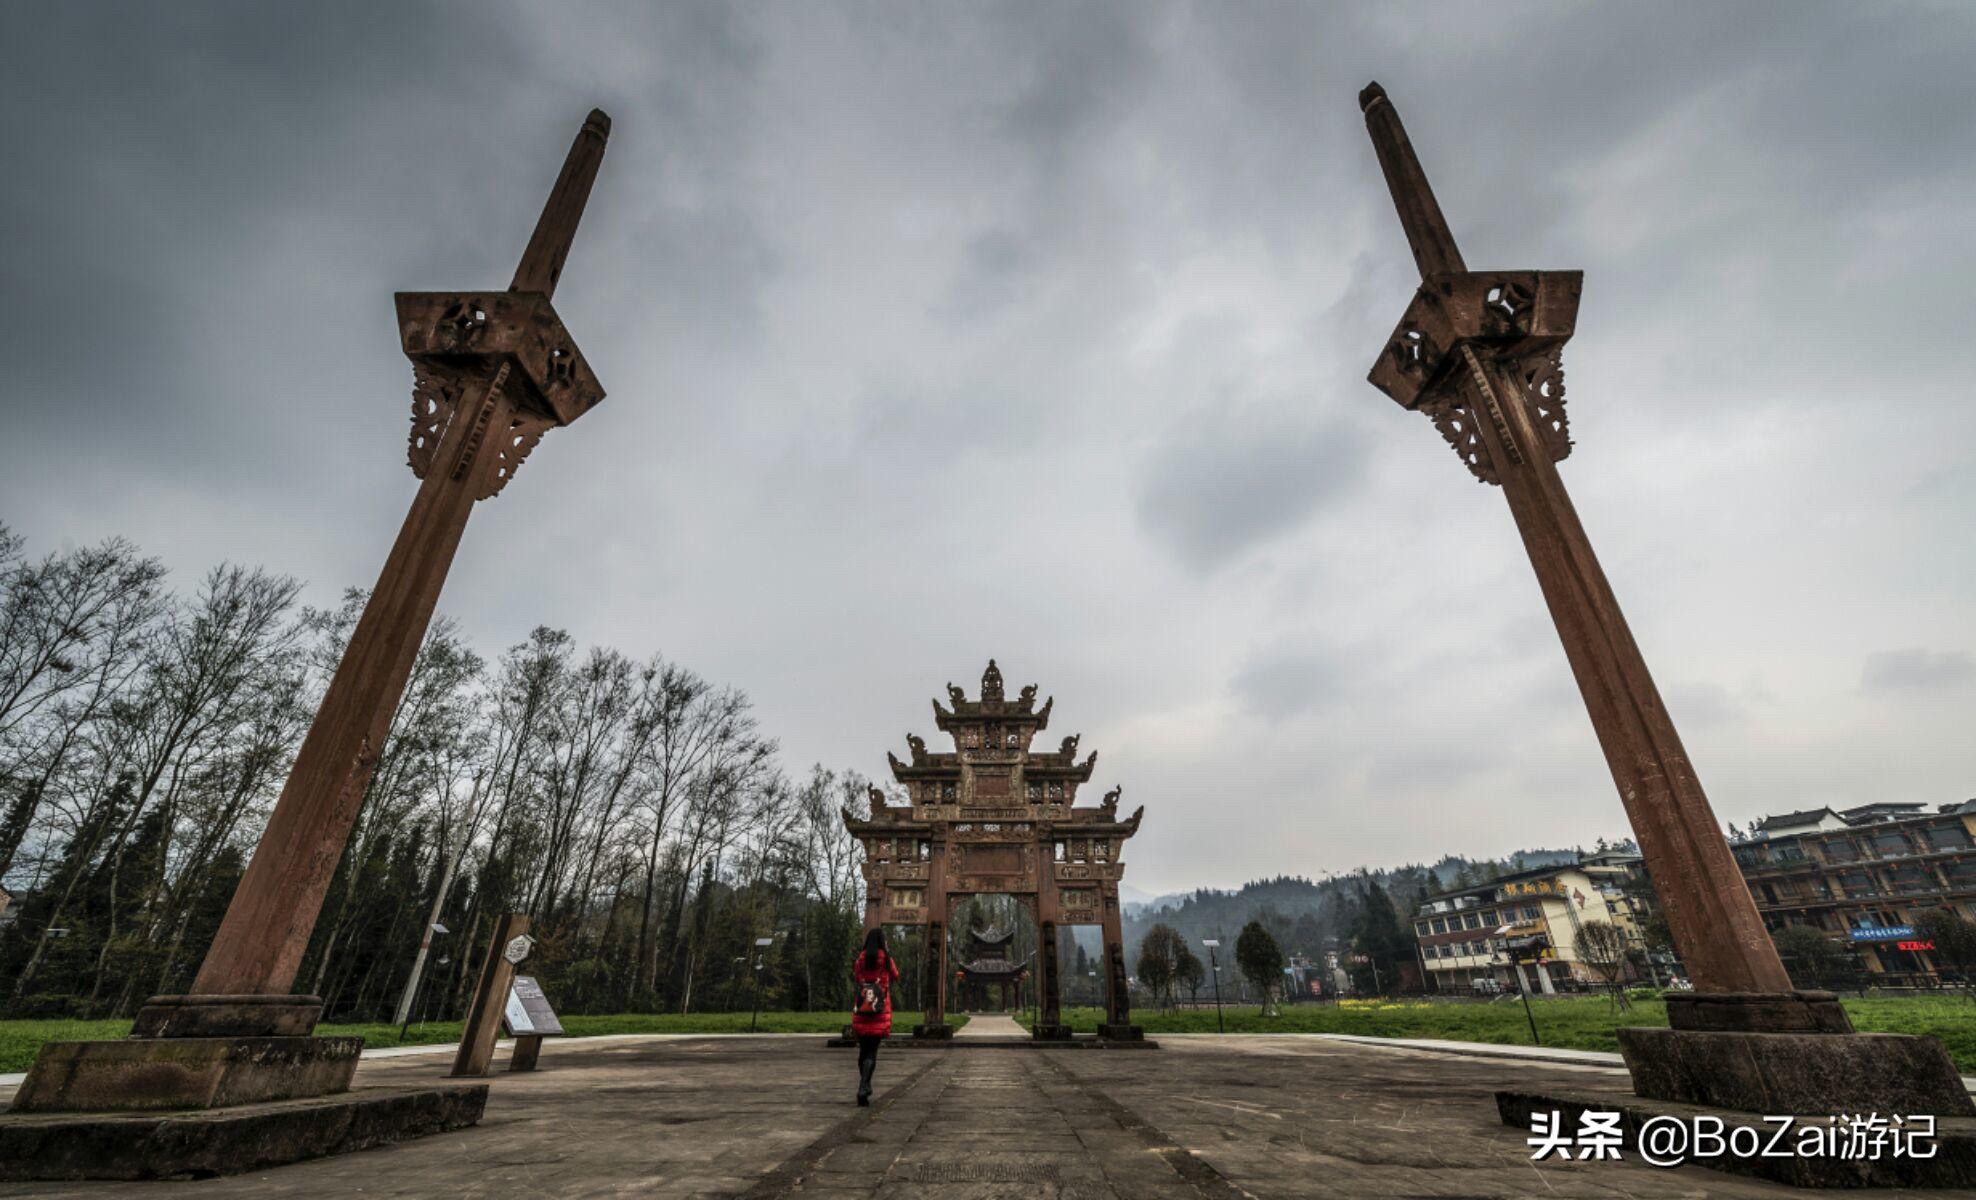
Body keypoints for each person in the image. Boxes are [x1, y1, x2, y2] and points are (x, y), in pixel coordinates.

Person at [850, 927, 900, 1106]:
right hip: (879, 1009)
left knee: (863, 1051)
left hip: (863, 1007)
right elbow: (896, 975)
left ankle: (864, 1084)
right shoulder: (886, 959)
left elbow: (857, 978)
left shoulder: (860, 959)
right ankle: (864, 1086)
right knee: (872, 1051)